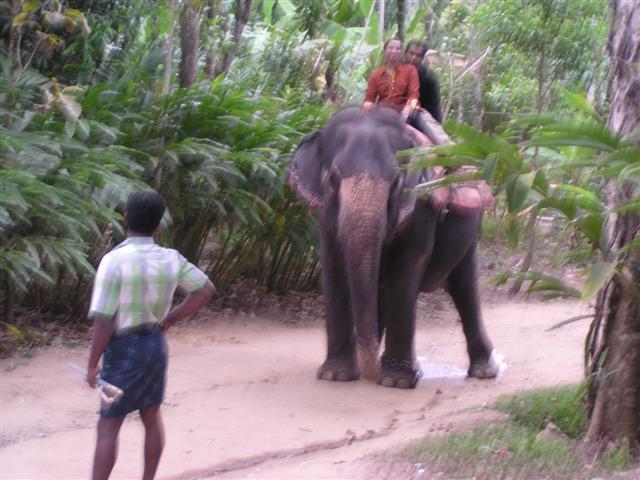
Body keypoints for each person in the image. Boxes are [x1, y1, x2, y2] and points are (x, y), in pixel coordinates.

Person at [86, 190, 215, 480]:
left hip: (122, 351)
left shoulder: (114, 261)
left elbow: (105, 320)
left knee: (109, 425)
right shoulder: (171, 258)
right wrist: (171, 317)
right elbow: (205, 290)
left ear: (125, 219)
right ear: (158, 226)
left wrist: (92, 364)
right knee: (151, 416)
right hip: (155, 345)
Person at [362, 37, 420, 120]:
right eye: (391, 48)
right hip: (382, 112)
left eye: (398, 49)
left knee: (427, 121)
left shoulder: (410, 70)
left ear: (402, 52)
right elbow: (369, 99)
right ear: (384, 52)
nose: (394, 51)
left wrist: (411, 104)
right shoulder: (376, 74)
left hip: (404, 110)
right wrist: (368, 105)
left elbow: (413, 95)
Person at [404, 39, 442, 123]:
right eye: (411, 53)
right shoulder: (394, 70)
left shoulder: (429, 78)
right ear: (405, 53)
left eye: (418, 55)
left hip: (418, 116)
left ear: (422, 58)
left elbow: (434, 109)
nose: (413, 58)